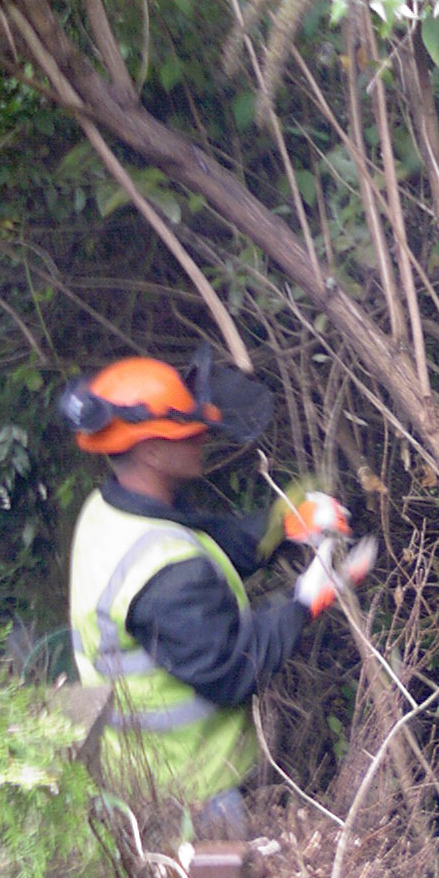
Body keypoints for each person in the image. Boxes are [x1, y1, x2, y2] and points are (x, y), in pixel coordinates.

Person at [58, 353, 374, 836]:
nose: (202, 432)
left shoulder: (113, 510)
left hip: (153, 773)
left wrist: (281, 525)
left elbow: (204, 539)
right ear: (151, 451)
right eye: (186, 427)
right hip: (191, 795)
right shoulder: (162, 574)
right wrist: (304, 603)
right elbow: (231, 670)